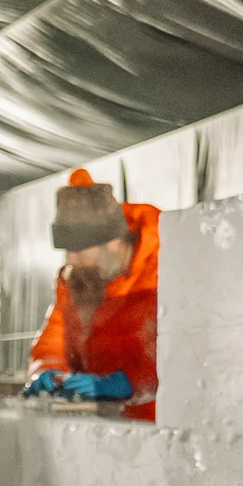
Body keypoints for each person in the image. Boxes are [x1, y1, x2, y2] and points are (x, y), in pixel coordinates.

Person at [24, 170, 159, 420]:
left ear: (114, 243)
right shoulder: (76, 280)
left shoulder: (165, 271)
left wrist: (133, 382)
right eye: (67, 250)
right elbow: (55, 337)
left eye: (80, 250)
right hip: (100, 424)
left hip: (159, 426)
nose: (70, 259)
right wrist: (48, 369)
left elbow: (191, 357)